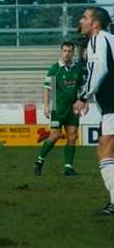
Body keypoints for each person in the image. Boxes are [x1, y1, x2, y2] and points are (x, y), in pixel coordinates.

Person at [74, 7, 114, 215]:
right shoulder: (108, 38)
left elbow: (99, 69)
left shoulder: (98, 38)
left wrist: (84, 97)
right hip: (109, 103)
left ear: (95, 24)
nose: (81, 21)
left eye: (85, 17)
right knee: (105, 146)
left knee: (105, 147)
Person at [34, 42, 86, 176]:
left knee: (72, 136)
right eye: (65, 51)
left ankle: (68, 167)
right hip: (58, 108)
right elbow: (47, 89)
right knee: (55, 136)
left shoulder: (78, 69)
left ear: (73, 53)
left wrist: (84, 102)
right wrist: (46, 106)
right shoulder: (54, 69)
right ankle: (40, 160)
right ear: (61, 52)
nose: (67, 53)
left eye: (69, 51)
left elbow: (81, 88)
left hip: (73, 108)